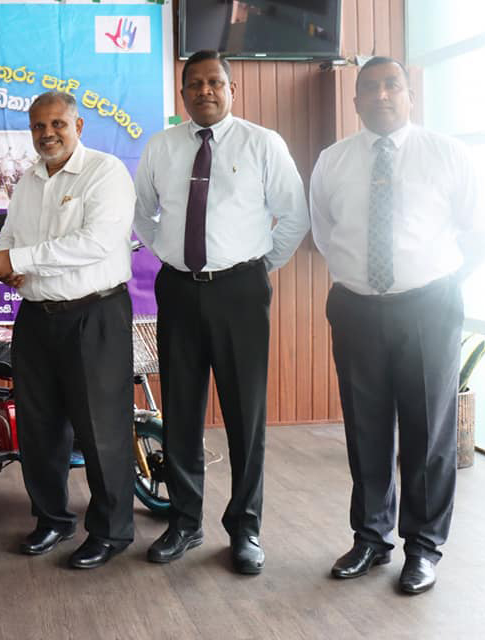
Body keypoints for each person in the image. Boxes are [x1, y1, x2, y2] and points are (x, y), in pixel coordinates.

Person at [310, 57, 485, 595]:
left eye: (392, 86)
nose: (381, 95)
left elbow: (479, 233)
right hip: (357, 308)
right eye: (370, 88)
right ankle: (370, 538)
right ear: (356, 100)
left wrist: (435, 285)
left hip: (428, 307)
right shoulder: (332, 162)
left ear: (410, 96)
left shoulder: (447, 154)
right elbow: (325, 233)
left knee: (427, 430)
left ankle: (424, 548)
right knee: (364, 428)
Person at [133, 51, 310, 574]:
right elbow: (142, 211)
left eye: (215, 82)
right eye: (194, 83)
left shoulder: (262, 143)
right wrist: (169, 251)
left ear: (232, 89)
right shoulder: (162, 147)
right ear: (183, 93)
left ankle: (246, 529)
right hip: (180, 292)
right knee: (183, 412)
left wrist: (255, 268)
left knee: (245, 414)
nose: (204, 90)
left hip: (240, 293)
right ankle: (186, 522)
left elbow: (294, 215)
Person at [0, 91, 136, 569]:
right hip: (37, 317)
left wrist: (19, 259)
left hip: (95, 315)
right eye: (37, 127)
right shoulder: (28, 180)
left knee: (101, 429)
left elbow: (95, 243)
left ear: (79, 125)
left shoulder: (106, 172)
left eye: (56, 124)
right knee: (39, 427)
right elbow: (11, 236)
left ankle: (111, 531)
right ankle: (51, 518)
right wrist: (6, 264)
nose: (47, 134)